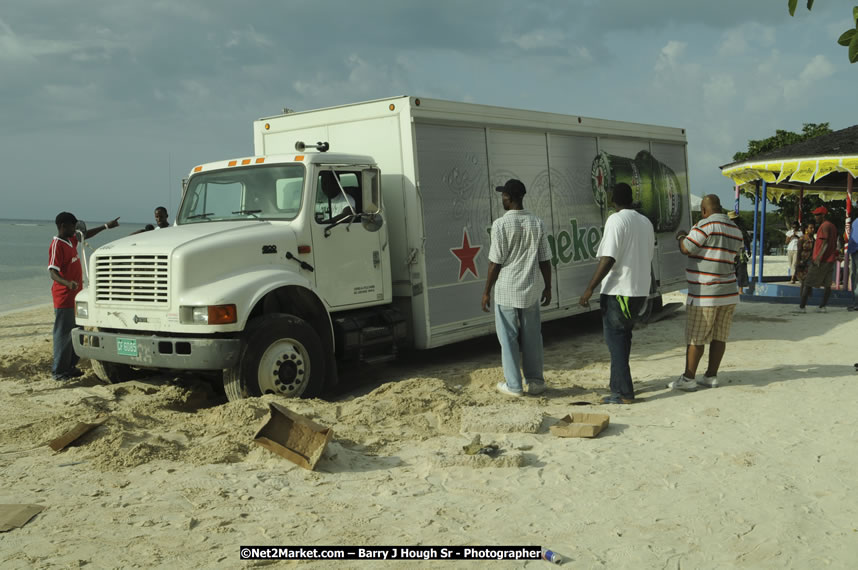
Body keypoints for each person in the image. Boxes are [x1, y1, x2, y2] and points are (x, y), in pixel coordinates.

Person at [579, 182, 654, 404]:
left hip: (619, 290)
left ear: (613, 200)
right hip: (639, 290)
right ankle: (617, 388)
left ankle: (624, 393)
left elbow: (609, 257)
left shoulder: (616, 220)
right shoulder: (645, 222)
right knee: (623, 339)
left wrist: (589, 288)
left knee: (616, 342)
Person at [481, 179, 552, 397]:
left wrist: (486, 291)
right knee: (532, 337)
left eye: (503, 195)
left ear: (509, 198)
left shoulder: (500, 225)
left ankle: (514, 385)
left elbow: (495, 263)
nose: (501, 199)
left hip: (507, 290)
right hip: (530, 289)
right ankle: (535, 381)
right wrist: (548, 287)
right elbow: (545, 259)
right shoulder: (537, 222)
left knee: (508, 339)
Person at [669, 194, 743, 391]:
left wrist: (681, 236)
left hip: (705, 292)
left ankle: (688, 378)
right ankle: (711, 376)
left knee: (696, 336)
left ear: (704, 210)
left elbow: (687, 248)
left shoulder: (705, 225)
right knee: (719, 336)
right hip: (728, 292)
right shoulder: (735, 230)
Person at [49, 212, 120, 380]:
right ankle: (59, 372)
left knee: (77, 332)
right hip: (64, 298)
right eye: (73, 226)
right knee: (63, 335)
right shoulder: (57, 244)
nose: (75, 230)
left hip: (77, 297)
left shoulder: (71, 240)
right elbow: (52, 272)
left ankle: (70, 367)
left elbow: (84, 235)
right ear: (63, 226)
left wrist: (106, 226)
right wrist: (67, 283)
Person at [797, 206, 838, 313]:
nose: (815, 217)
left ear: (823, 215)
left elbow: (825, 243)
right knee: (827, 285)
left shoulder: (824, 226)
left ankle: (802, 307)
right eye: (815, 215)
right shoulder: (832, 226)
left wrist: (818, 258)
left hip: (822, 260)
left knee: (807, 282)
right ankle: (822, 307)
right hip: (830, 259)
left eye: (817, 215)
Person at [727, 211, 750, 291]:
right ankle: (732, 290)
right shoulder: (726, 229)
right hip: (730, 253)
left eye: (734, 220)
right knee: (730, 272)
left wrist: (748, 249)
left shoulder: (741, 229)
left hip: (739, 253)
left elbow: (746, 239)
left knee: (741, 272)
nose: (733, 221)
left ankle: (740, 290)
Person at [848, 209, 858, 311]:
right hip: (854, 251)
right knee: (854, 277)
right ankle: (855, 302)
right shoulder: (855, 221)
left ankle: (856, 303)